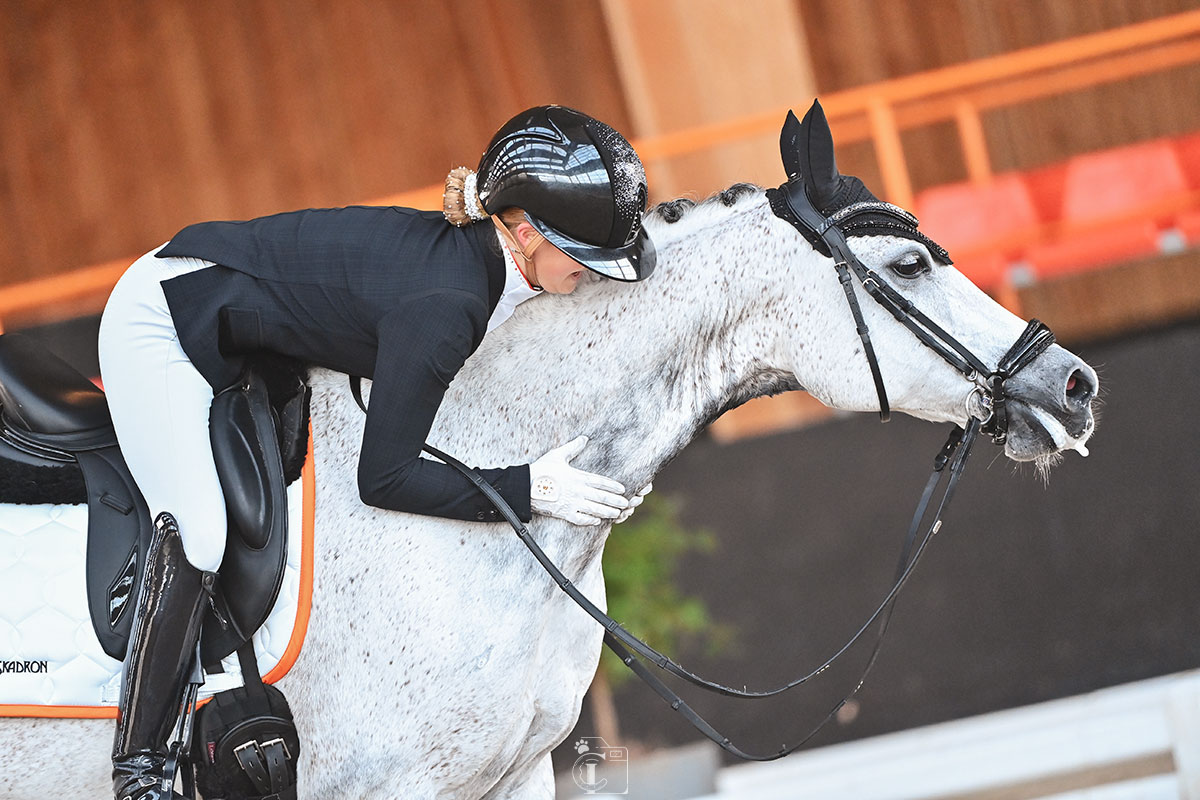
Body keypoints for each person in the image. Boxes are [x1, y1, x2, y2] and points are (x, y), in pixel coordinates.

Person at [98, 105, 656, 799]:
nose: (593, 274)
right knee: (201, 532)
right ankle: (140, 768)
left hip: (239, 329)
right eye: (583, 256)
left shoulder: (481, 270)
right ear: (524, 232)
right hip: (162, 322)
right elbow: (383, 477)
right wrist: (527, 489)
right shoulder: (449, 303)